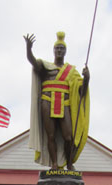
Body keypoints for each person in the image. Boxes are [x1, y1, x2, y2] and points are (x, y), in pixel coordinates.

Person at [24, 31, 90, 170]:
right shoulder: (46, 66)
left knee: (68, 137)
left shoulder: (72, 72)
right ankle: (54, 164)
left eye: (62, 48)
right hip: (47, 101)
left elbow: (81, 93)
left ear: (65, 51)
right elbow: (33, 62)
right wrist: (29, 49)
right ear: (53, 50)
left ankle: (69, 163)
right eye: (57, 48)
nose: (59, 50)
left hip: (64, 103)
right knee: (51, 135)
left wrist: (87, 79)